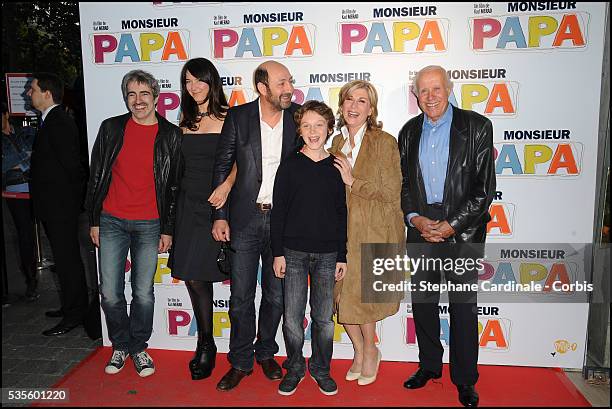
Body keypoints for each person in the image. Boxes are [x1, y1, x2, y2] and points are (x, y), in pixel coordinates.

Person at [398, 65, 496, 408]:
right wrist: (416, 219)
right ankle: (429, 366)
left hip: (464, 230)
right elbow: (405, 186)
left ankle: (465, 380)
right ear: (416, 95)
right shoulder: (408, 132)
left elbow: (484, 192)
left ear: (449, 88)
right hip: (421, 228)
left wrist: (451, 224)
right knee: (423, 303)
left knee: (463, 309)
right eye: (423, 91)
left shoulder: (478, 127)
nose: (430, 97)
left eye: (436, 89)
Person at [85, 69, 182, 378]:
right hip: (111, 219)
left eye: (144, 94)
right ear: (126, 98)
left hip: (150, 224)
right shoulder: (111, 128)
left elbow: (174, 188)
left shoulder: (171, 135)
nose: (138, 101)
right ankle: (121, 344)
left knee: (142, 292)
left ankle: (139, 346)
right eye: (131, 94)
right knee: (110, 292)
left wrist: (167, 228)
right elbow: (96, 175)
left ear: (155, 97)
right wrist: (94, 219)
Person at [212, 60, 300, 391]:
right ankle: (241, 360)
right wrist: (219, 216)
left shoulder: (300, 117)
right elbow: (223, 164)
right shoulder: (239, 117)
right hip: (245, 220)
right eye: (280, 83)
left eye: (289, 81)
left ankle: (265, 353)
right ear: (262, 88)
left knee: (277, 297)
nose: (288, 88)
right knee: (240, 298)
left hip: (284, 223)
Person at [329, 80, 404, 386]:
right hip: (341, 233)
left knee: (367, 298)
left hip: (376, 230)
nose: (354, 106)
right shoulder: (334, 143)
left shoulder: (383, 142)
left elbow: (391, 191)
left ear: (371, 109)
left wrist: (352, 180)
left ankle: (371, 350)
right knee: (342, 298)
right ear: (342, 105)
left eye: (362, 101)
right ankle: (359, 351)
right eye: (349, 99)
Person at [271, 100, 347, 396]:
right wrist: (278, 252)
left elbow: (342, 212)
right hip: (293, 253)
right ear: (299, 130)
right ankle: (294, 367)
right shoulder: (289, 166)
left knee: (323, 318)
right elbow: (278, 213)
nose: (313, 131)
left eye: (319, 125)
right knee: (292, 317)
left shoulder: (337, 166)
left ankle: (321, 368)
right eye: (306, 125)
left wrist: (342, 254)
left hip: (329, 254)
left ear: (329, 128)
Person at [168, 57, 237, 380]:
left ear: (213, 82)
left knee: (235, 278)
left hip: (220, 205)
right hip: (188, 206)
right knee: (195, 278)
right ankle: (206, 344)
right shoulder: (183, 120)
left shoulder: (229, 117)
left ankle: (243, 349)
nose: (193, 87)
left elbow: (242, 158)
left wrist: (226, 185)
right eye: (187, 81)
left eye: (199, 80)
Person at [27, 73, 89, 335]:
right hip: (56, 207)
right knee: (64, 260)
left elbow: (73, 168)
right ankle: (70, 306)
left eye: (32, 89)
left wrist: (70, 206)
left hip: (61, 208)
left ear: (47, 93)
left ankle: (75, 314)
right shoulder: (51, 120)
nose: (28, 94)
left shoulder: (59, 122)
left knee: (67, 260)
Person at [2, 101, 38, 301]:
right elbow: (4, 166)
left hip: (38, 189)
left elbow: (39, 153)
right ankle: (31, 279)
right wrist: (26, 160)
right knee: (25, 235)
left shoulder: (25, 132)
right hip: (14, 193)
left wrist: (17, 162)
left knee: (40, 233)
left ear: (6, 114)